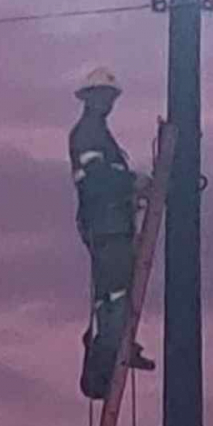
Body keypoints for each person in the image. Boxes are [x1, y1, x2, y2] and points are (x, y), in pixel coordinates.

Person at [69, 65, 155, 400]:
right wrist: (133, 183)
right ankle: (106, 359)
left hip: (112, 223)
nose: (107, 102)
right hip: (106, 225)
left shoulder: (99, 133)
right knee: (115, 295)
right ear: (90, 98)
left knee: (117, 292)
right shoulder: (88, 133)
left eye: (110, 96)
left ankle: (115, 347)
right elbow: (97, 178)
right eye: (102, 95)